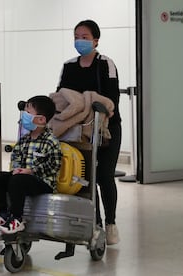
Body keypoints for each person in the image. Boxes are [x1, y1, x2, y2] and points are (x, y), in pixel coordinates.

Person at [57, 19, 122, 245]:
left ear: (96, 40)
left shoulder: (106, 64)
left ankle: (111, 223)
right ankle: (94, 224)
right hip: (77, 132)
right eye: (76, 36)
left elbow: (112, 99)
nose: (79, 41)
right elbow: (61, 97)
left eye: (84, 37)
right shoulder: (69, 66)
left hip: (106, 130)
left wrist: (95, 106)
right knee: (85, 179)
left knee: (104, 176)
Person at [0, 95, 62, 234]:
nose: (24, 116)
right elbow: (16, 157)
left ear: (41, 119)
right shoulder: (24, 140)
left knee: (19, 180)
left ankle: (16, 218)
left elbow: (54, 165)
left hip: (43, 183)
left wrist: (31, 171)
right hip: (22, 178)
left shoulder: (51, 141)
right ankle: (2, 214)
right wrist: (16, 169)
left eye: (28, 113)